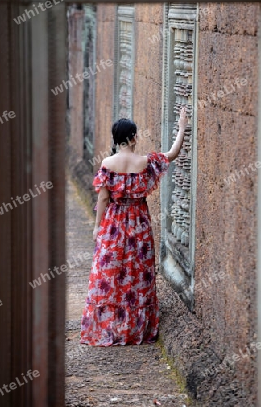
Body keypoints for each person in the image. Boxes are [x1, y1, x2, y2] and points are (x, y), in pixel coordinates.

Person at [80, 106, 188, 346]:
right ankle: (136, 329)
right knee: (137, 274)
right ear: (132, 137)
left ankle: (110, 328)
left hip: (114, 224)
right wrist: (181, 128)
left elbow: (104, 198)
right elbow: (172, 153)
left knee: (110, 273)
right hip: (139, 223)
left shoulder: (107, 163)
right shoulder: (144, 162)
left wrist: (98, 227)